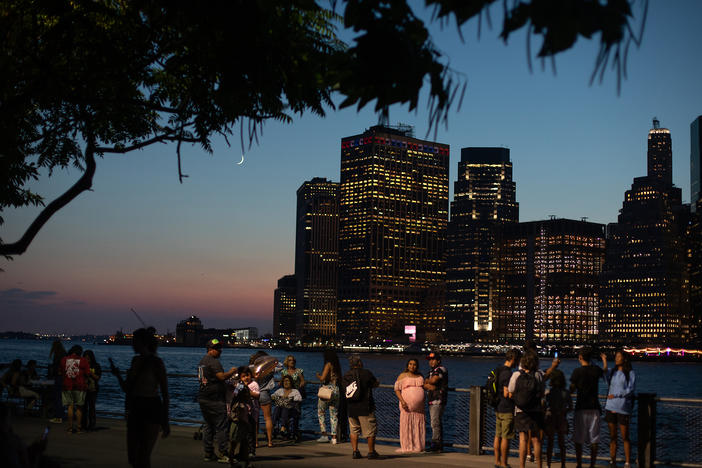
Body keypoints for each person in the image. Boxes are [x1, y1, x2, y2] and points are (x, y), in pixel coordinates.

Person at [110, 326, 170, 468]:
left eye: (134, 341)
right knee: (133, 457)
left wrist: (165, 420)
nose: (132, 345)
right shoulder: (135, 361)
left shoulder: (156, 363)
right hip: (136, 408)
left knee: (143, 456)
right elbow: (127, 389)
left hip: (151, 408)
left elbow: (165, 393)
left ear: (142, 343)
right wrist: (118, 375)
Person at [198, 338, 238, 462]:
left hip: (203, 397)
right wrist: (232, 372)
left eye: (220, 348)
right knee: (222, 426)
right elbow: (221, 377)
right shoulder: (214, 362)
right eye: (217, 348)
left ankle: (208, 453)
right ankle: (223, 453)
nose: (220, 351)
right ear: (210, 349)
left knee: (209, 426)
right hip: (215, 399)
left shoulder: (202, 361)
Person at [570, 347, 607, 468]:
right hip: (594, 407)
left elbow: (572, 388)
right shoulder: (596, 370)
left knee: (578, 438)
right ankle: (592, 464)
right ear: (590, 358)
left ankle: (579, 463)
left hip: (581, 407)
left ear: (580, 357)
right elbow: (605, 371)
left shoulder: (577, 371)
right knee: (594, 438)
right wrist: (604, 360)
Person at [509, 351, 545, 468]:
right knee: (536, 439)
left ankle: (521, 466)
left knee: (523, 439)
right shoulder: (538, 375)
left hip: (520, 410)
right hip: (535, 410)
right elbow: (542, 391)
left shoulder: (516, 375)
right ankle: (539, 465)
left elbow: (510, 392)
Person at [342, 354, 380, 460]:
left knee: (354, 430)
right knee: (370, 430)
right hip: (365, 406)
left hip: (351, 407)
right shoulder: (366, 373)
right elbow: (374, 383)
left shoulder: (346, 375)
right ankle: (371, 452)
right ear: (359, 363)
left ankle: (355, 451)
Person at [603, 350, 636, 468]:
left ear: (624, 359)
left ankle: (627, 462)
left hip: (623, 407)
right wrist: (605, 362)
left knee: (625, 436)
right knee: (612, 436)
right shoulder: (612, 372)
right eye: (616, 356)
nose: (616, 358)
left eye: (619, 356)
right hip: (610, 406)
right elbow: (606, 379)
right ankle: (613, 461)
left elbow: (630, 390)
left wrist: (617, 395)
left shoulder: (630, 373)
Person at [494, 348, 521, 468]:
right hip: (506, 408)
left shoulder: (499, 370)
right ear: (514, 359)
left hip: (498, 407)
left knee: (497, 436)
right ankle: (504, 463)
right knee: (506, 437)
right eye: (518, 360)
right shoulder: (508, 373)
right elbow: (507, 393)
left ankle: (497, 462)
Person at [393, 358, 425, 453]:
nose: (412, 366)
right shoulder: (402, 376)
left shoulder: (420, 376)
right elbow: (396, 389)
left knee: (417, 426)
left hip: (419, 409)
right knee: (407, 425)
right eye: (410, 364)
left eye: (414, 364)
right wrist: (402, 401)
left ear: (417, 366)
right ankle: (407, 446)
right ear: (407, 365)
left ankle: (418, 446)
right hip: (406, 406)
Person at [229, 366, 256, 467]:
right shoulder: (240, 386)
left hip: (243, 416)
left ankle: (246, 462)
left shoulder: (243, 387)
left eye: (247, 375)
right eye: (243, 376)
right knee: (234, 441)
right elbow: (235, 396)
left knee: (244, 441)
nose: (246, 378)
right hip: (238, 417)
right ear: (240, 377)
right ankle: (231, 461)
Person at [544, 369, 571, 468]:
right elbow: (570, 406)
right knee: (562, 442)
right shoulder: (566, 392)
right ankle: (563, 464)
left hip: (551, 417)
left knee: (550, 443)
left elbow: (545, 405)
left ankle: (548, 464)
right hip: (561, 418)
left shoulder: (549, 392)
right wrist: (564, 411)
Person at [60, 345, 89, 434]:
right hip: (79, 386)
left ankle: (70, 427)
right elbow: (87, 373)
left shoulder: (64, 359)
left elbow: (61, 372)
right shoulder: (83, 360)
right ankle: (79, 428)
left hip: (67, 386)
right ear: (80, 352)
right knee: (79, 408)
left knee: (70, 407)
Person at [423, 351, 448, 452]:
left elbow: (433, 381)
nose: (431, 362)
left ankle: (436, 444)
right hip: (432, 400)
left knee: (435, 423)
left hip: (438, 400)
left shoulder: (440, 369)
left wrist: (429, 383)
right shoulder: (432, 371)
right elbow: (426, 384)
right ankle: (438, 445)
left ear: (438, 360)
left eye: (433, 359)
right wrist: (429, 385)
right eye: (430, 360)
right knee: (436, 422)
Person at [249, 351, 275, 448]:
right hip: (264, 394)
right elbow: (280, 365)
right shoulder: (269, 369)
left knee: (255, 419)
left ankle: (255, 442)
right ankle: (270, 441)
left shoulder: (252, 369)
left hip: (254, 394)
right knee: (268, 418)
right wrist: (269, 360)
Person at [316, 349, 342, 444]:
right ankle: (334, 438)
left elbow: (323, 378)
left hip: (327, 391)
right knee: (334, 415)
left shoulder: (328, 364)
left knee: (321, 412)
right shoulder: (337, 365)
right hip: (336, 390)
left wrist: (318, 375)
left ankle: (324, 435)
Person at [272, 375, 302, 440]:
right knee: (277, 408)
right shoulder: (280, 390)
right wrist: (276, 397)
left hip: (292, 410)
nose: (286, 382)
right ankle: (272, 425)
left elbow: (299, 398)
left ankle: (283, 427)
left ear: (291, 382)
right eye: (284, 381)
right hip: (280, 410)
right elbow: (273, 395)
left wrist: (290, 398)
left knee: (285, 409)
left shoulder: (295, 391)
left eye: (287, 381)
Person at [81, 350, 102, 431]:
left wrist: (90, 373)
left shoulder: (96, 366)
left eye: (88, 358)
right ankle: (83, 425)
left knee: (92, 408)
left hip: (93, 389)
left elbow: (98, 377)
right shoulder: (81, 366)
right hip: (83, 389)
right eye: (85, 358)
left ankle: (92, 425)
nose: (87, 360)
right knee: (84, 408)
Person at [47, 340, 66, 424]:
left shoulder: (57, 355)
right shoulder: (64, 353)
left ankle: (58, 416)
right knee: (61, 398)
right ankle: (61, 415)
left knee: (57, 397)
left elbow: (56, 366)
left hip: (59, 378)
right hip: (63, 378)